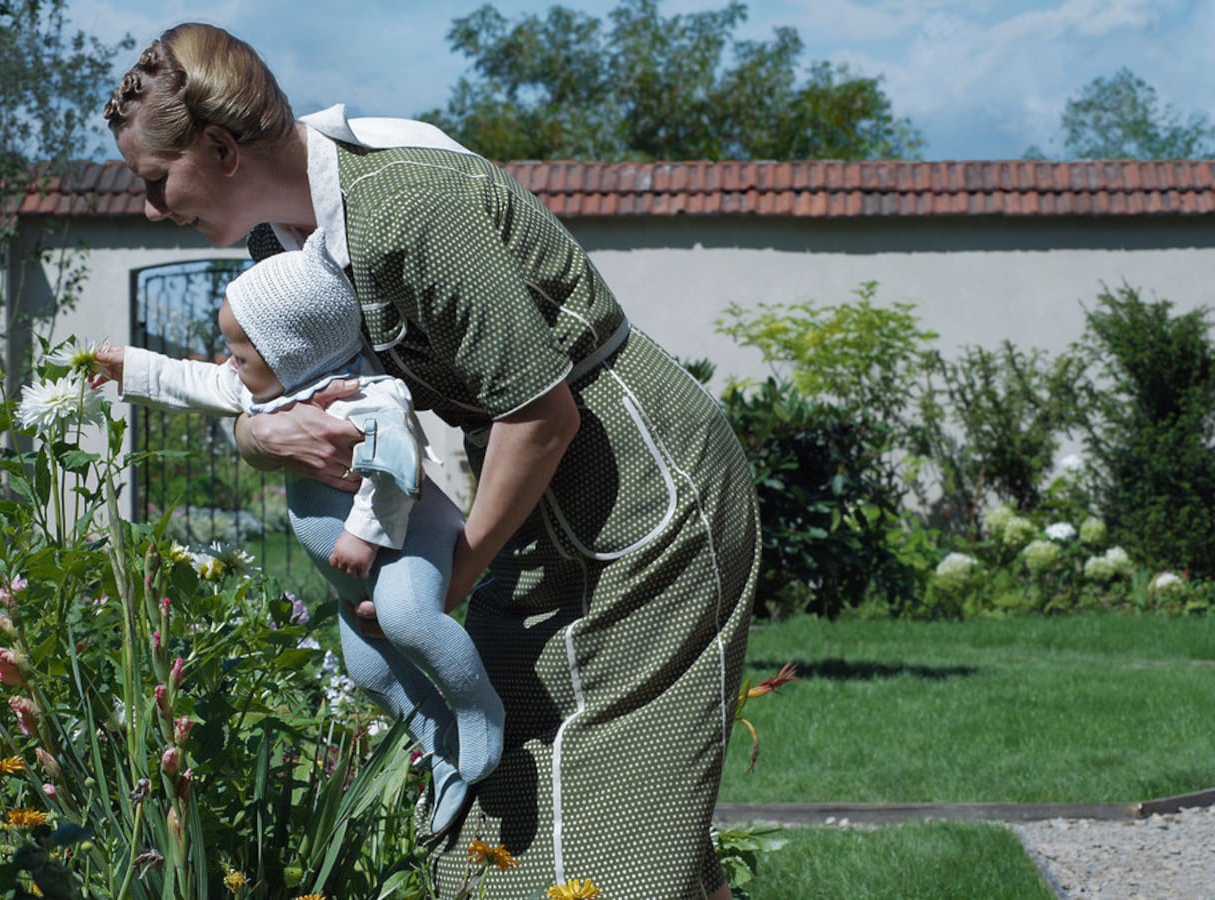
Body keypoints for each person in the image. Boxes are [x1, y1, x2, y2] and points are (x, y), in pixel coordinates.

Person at [103, 23, 761, 899]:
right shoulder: (282, 249)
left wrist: (456, 574)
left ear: (221, 149)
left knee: (605, 819)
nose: (152, 208)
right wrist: (262, 438)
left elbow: (543, 414)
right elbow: (268, 401)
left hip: (638, 490)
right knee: (514, 797)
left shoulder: (409, 209)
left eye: (156, 179)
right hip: (529, 499)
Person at [93, 231, 503, 836]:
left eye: (241, 353)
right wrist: (127, 366)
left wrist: (363, 534)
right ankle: (439, 741)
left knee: (410, 620)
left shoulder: (368, 396)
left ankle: (478, 712)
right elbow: (194, 381)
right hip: (354, 575)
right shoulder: (272, 389)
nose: (229, 361)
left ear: (292, 352)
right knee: (370, 671)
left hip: (405, 541)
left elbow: (398, 465)